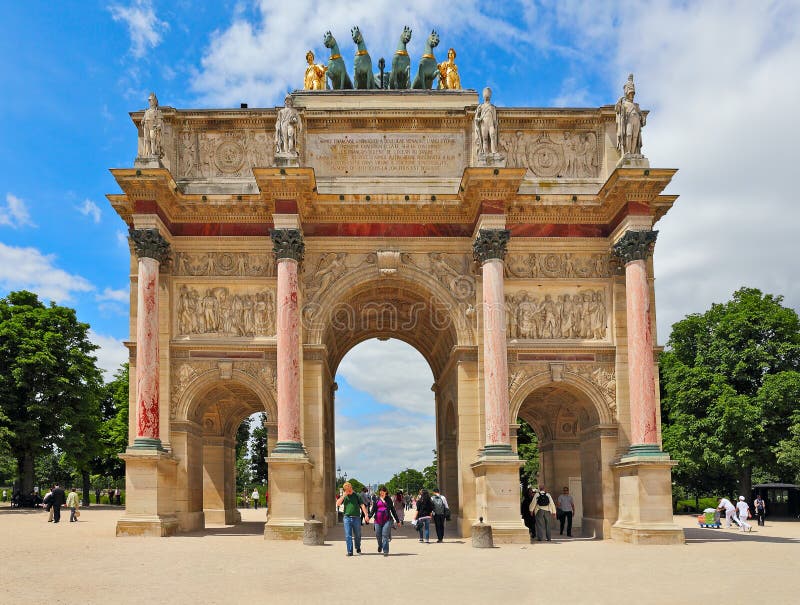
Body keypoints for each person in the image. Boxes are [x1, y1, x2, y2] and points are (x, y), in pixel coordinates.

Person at [336, 482, 369, 556]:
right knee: (348, 535)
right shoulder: (345, 496)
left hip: (356, 518)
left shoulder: (357, 496)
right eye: (347, 490)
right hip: (347, 518)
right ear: (345, 490)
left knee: (357, 535)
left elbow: (362, 505)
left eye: (349, 489)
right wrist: (343, 496)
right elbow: (337, 504)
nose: (349, 491)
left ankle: (357, 547)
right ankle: (350, 551)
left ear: (351, 487)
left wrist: (366, 515)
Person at [369, 486, 400, 556]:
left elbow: (393, 510)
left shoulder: (389, 500)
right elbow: (373, 510)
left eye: (383, 491)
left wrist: (398, 521)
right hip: (377, 520)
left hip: (387, 520)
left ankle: (385, 551)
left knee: (385, 535)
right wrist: (369, 517)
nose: (381, 492)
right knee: (378, 535)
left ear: (386, 492)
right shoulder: (377, 499)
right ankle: (380, 545)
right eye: (380, 491)